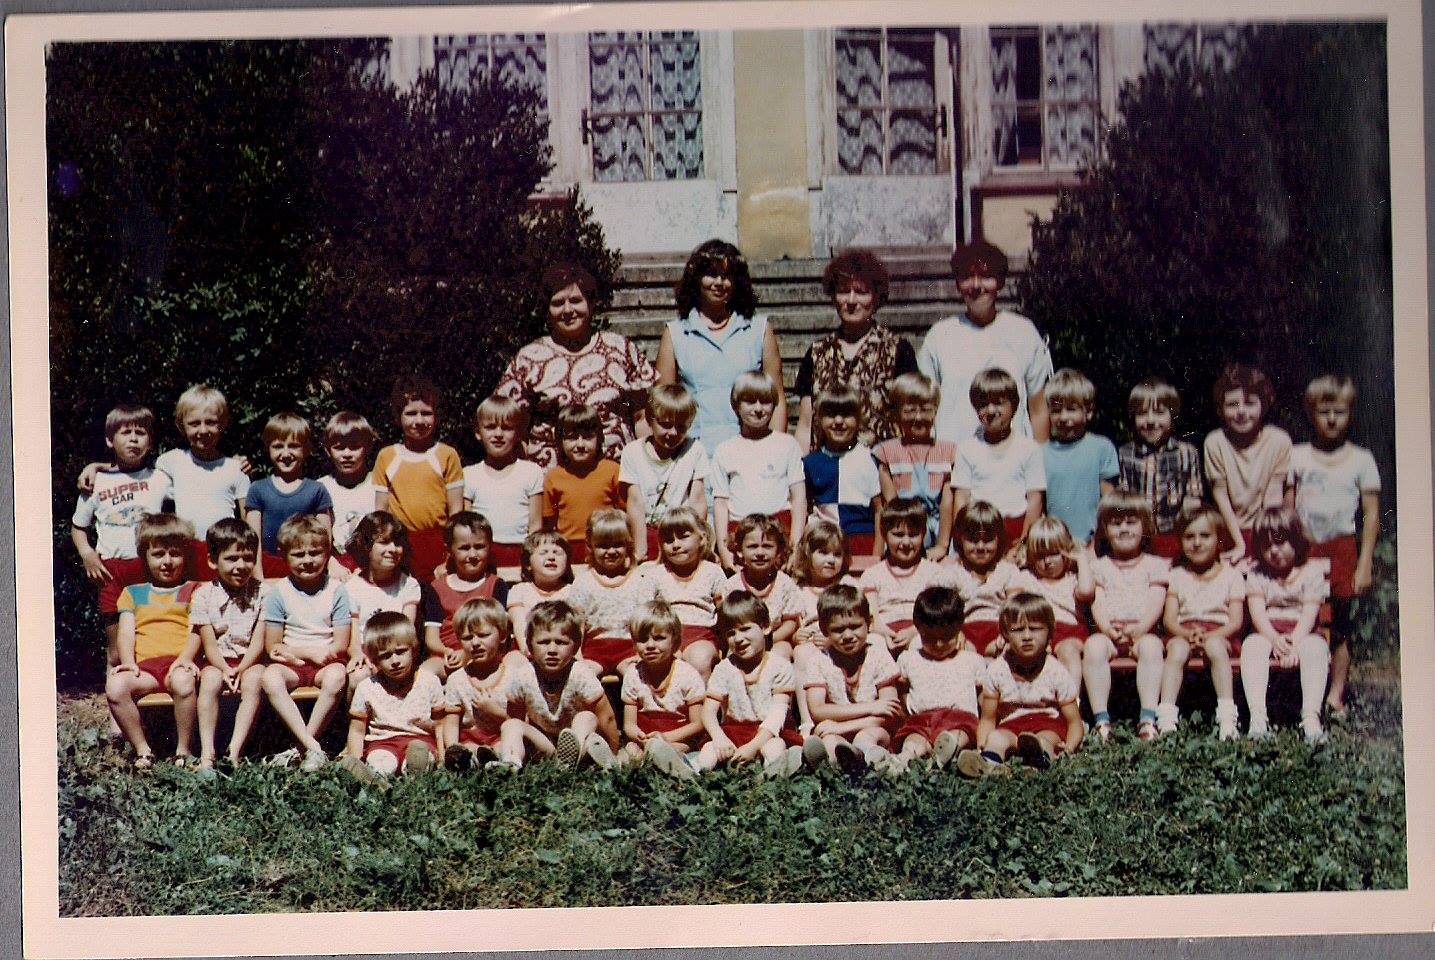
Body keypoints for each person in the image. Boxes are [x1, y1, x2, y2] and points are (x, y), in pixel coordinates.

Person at [495, 261, 657, 470]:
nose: (567, 310)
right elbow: (509, 424)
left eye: (575, 301)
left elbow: (641, 417)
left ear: (591, 303)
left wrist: (648, 467)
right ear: (547, 309)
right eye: (558, 303)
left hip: (615, 473)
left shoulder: (621, 349)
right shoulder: (529, 358)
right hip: (551, 478)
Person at [1286, 374, 1381, 717]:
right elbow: (1286, 510)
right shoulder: (1297, 456)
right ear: (1311, 413)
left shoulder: (1361, 459)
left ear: (1350, 413)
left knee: (1340, 625)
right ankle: (1297, 691)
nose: (1331, 419)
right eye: (1323, 412)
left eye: (1339, 412)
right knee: (1302, 617)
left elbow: (1371, 515)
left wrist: (1364, 563)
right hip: (1304, 550)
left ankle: (1335, 694)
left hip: (1341, 549)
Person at [71, 404, 171, 689]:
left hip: (150, 569)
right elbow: (78, 527)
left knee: (151, 637)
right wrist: (87, 553)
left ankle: (149, 698)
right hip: (112, 572)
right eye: (125, 432)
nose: (133, 439)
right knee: (116, 648)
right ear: (109, 440)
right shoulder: (95, 482)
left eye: (141, 432)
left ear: (150, 441)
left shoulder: (160, 479)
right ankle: (116, 705)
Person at [655, 239, 785, 454]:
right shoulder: (675, 333)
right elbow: (664, 404)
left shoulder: (759, 330)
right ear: (696, 279)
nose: (719, 282)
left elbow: (777, 400)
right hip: (695, 454)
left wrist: (773, 452)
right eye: (711, 274)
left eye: (726, 276)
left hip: (749, 453)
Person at [917, 240, 1051, 445]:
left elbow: (1038, 408)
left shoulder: (1023, 332)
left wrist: (1038, 459)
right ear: (958, 284)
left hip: (1012, 457)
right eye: (967, 277)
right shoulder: (939, 336)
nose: (976, 285)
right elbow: (925, 406)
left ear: (1000, 282)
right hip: (954, 456)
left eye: (986, 276)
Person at [793, 249, 918, 452]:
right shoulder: (817, 353)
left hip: (879, 466)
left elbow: (910, 418)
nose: (851, 301)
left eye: (861, 292)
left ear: (876, 298)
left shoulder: (897, 350)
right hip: (826, 466)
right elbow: (806, 425)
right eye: (844, 291)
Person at [104, 513, 201, 768]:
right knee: (116, 687)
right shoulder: (132, 593)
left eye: (175, 554)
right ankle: (143, 750)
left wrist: (185, 659)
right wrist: (128, 662)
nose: (167, 561)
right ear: (145, 557)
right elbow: (126, 632)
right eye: (158, 554)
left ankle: (183, 749)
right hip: (146, 668)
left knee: (183, 681)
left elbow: (198, 630)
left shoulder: (194, 590)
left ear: (185, 555)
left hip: (179, 663)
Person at [260, 514, 352, 771]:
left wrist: (322, 654)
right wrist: (305, 652)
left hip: (327, 662)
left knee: (337, 676)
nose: (308, 560)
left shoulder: (336, 590)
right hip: (293, 662)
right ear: (284, 555)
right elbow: (273, 646)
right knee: (270, 677)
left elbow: (341, 643)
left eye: (315, 553)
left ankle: (301, 748)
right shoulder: (279, 593)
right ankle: (313, 747)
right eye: (299, 554)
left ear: (327, 553)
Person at [1081, 491, 1171, 742]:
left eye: (1131, 522)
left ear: (1145, 526)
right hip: (1110, 632)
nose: (1123, 529)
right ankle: (1101, 720)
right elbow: (1097, 601)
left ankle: (1147, 718)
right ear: (1104, 529)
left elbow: (1156, 601)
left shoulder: (1154, 565)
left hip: (1143, 632)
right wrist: (1107, 629)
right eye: (1116, 523)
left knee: (1152, 647)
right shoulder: (1099, 566)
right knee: (1094, 646)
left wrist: (1140, 628)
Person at [1241, 506, 1331, 744]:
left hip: (1302, 632)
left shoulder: (1310, 572)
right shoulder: (1258, 574)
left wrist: (1293, 643)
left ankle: (1311, 717)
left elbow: (1310, 612)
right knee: (1251, 646)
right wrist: (1274, 639)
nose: (1273, 551)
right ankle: (1258, 718)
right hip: (1268, 632)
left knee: (1316, 648)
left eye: (1280, 543)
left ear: (1296, 540)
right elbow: (1258, 613)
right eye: (1266, 545)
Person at [692, 591, 804, 777]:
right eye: (731, 633)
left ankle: (772, 778)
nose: (738, 638)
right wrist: (719, 738)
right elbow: (708, 711)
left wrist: (753, 747)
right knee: (709, 751)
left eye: (745, 629)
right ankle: (692, 775)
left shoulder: (779, 666)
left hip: (770, 732)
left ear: (765, 627)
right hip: (734, 731)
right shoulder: (725, 668)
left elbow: (777, 715)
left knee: (774, 748)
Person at [499, 600, 621, 769]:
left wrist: (614, 752)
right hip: (545, 743)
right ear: (530, 645)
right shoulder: (523, 675)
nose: (552, 650)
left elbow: (606, 718)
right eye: (544, 642)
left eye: (561, 642)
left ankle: (569, 762)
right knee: (510, 725)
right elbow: (515, 716)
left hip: (579, 738)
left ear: (575, 647)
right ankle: (510, 763)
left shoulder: (581, 674)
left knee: (587, 717)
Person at [799, 584, 901, 778]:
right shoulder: (818, 660)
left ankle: (874, 764)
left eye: (855, 626)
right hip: (837, 731)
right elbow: (818, 710)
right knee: (829, 740)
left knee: (865, 737)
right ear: (824, 630)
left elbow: (890, 711)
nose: (847, 636)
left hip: (873, 728)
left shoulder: (878, 655)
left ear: (869, 623)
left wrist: (842, 726)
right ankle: (837, 768)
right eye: (838, 630)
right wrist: (872, 707)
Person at [191, 519, 270, 769]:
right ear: (213, 561)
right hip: (217, 661)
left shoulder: (263, 593)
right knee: (210, 680)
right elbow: (209, 644)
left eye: (248, 558)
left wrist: (242, 668)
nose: (241, 566)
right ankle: (207, 752)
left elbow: (259, 640)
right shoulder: (203, 595)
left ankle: (234, 751)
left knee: (255, 680)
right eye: (232, 558)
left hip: (251, 660)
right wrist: (225, 668)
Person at [974, 594, 1084, 771]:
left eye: (1035, 629)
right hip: (1011, 725)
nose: (1026, 636)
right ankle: (987, 764)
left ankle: (1039, 762)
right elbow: (988, 718)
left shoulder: (1056, 671)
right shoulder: (998, 670)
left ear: (1049, 632)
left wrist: (1069, 748)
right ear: (1005, 634)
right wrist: (982, 744)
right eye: (1018, 630)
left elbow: (1074, 721)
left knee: (1044, 740)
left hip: (1048, 725)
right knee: (996, 738)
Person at [1163, 506, 1245, 740]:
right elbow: (1169, 619)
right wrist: (1186, 634)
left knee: (1214, 646)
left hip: (1220, 634)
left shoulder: (1231, 575)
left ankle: (1227, 716)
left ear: (1219, 539)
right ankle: (1166, 715)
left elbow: (1236, 621)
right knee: (1177, 649)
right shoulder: (1177, 575)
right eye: (1189, 537)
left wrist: (1210, 636)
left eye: (1205, 536)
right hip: (1183, 632)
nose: (1197, 543)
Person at [372, 374, 464, 584]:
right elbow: (380, 514)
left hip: (439, 544)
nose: (419, 420)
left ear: (436, 416)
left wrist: (450, 556)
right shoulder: (387, 456)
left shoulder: (447, 455)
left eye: (427, 413)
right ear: (398, 417)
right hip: (401, 545)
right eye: (411, 413)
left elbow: (456, 513)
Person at [155, 384, 251, 581]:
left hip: (225, 554)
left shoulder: (235, 468)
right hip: (185, 554)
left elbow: (248, 521)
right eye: (194, 423)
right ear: (181, 426)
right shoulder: (170, 462)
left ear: (223, 424)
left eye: (211, 422)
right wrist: (98, 467)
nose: (203, 430)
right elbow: (140, 481)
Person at [711, 372, 806, 568]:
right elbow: (721, 504)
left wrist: (795, 547)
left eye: (765, 401)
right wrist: (723, 549)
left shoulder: (787, 445)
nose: (758, 409)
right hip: (741, 536)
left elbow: (799, 499)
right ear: (736, 406)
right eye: (750, 402)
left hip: (779, 534)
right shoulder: (725, 450)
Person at [892, 586, 989, 775]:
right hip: (922, 719)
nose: (938, 644)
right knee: (913, 739)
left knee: (958, 736)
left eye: (946, 637)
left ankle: (941, 757)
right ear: (917, 628)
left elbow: (982, 699)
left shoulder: (971, 660)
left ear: (959, 628)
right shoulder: (909, 659)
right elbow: (901, 691)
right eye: (929, 638)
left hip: (959, 718)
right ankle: (903, 759)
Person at [1204, 363, 1293, 562]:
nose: (1241, 411)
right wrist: (1240, 544)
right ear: (1220, 409)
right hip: (1229, 531)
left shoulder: (1279, 440)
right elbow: (1220, 495)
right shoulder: (1215, 442)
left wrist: (1266, 543)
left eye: (1250, 403)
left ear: (1264, 406)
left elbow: (1273, 497)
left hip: (1266, 531)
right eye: (1232, 405)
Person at [951, 368, 1045, 552]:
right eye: (983, 404)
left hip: (1017, 532)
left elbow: (1035, 500)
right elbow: (961, 498)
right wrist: (961, 542)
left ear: (1014, 406)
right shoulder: (967, 449)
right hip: (979, 534)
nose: (991, 410)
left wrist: (1023, 545)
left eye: (998, 403)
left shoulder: (1029, 449)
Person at [342, 611, 445, 777]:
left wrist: (443, 759)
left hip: (420, 740)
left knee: (421, 754)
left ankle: (415, 771)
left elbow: (440, 725)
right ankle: (373, 778)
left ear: (414, 649)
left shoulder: (429, 682)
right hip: (383, 743)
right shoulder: (366, 687)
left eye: (401, 651)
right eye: (385, 656)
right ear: (374, 659)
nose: (395, 661)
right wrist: (355, 758)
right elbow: (357, 730)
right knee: (380, 762)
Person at [620, 384, 709, 563]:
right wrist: (640, 550)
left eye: (681, 427)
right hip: (646, 530)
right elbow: (635, 502)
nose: (673, 433)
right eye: (666, 425)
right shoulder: (632, 452)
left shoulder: (695, 450)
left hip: (681, 533)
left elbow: (698, 501)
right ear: (650, 420)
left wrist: (697, 543)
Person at [1116, 379, 1203, 559]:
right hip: (1140, 538)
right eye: (1142, 413)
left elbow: (1193, 498)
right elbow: (1123, 498)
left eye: (1159, 412)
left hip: (1175, 534)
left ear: (1173, 415)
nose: (1150, 421)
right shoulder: (1126, 453)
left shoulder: (1186, 452)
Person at [619, 600, 707, 778]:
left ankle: (670, 766)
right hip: (644, 738)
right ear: (634, 644)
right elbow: (629, 724)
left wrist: (665, 738)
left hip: (678, 738)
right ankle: (619, 763)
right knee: (629, 750)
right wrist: (640, 736)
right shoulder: (633, 674)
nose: (650, 645)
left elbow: (698, 723)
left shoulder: (687, 674)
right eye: (642, 639)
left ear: (675, 642)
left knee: (674, 750)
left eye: (658, 638)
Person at [859, 498, 958, 653]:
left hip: (921, 631)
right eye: (898, 535)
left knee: (920, 642)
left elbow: (938, 614)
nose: (906, 542)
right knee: (874, 643)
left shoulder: (934, 573)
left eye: (913, 535)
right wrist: (884, 632)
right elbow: (872, 616)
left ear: (923, 534)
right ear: (884, 535)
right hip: (883, 631)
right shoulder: (873, 574)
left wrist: (914, 631)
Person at [567, 509, 658, 678]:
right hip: (593, 649)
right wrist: (577, 656)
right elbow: (576, 624)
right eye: (603, 546)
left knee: (636, 676)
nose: (611, 551)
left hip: (630, 648)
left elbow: (646, 622)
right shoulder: (584, 582)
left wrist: (642, 652)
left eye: (617, 545)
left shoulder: (640, 580)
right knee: (583, 676)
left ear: (628, 544)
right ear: (591, 546)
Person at [873, 372, 956, 556]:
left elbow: (947, 503)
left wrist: (942, 545)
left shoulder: (949, 452)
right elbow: (892, 504)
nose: (918, 417)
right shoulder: (886, 453)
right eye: (910, 410)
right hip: (902, 532)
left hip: (940, 532)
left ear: (935, 411)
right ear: (897, 413)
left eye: (925, 410)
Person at [641, 506, 728, 679]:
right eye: (668, 540)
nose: (676, 545)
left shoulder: (712, 572)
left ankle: (701, 697)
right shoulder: (655, 574)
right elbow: (644, 613)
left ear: (701, 539)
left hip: (702, 635)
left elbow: (726, 611)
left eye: (683, 537)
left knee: (699, 659)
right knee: (666, 661)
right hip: (664, 636)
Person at [441, 598, 526, 770]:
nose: (475, 643)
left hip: (502, 735)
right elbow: (451, 722)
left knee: (504, 746)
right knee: (469, 749)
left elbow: (521, 723)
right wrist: (452, 748)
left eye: (483, 635)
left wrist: (495, 712)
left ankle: (499, 763)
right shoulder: (457, 679)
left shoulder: (513, 676)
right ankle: (470, 761)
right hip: (471, 738)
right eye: (467, 637)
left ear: (502, 636)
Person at [245, 412, 333, 578]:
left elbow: (325, 539)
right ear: (268, 448)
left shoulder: (317, 490)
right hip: (268, 569)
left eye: (293, 446)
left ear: (306, 449)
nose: (286, 454)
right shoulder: (257, 489)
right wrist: (258, 580)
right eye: (278, 446)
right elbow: (252, 540)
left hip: (307, 567)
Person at [1008, 515, 1094, 684]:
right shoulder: (1027, 578)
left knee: (1068, 651)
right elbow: (1011, 605)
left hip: (1069, 632)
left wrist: (1082, 559)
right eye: (1040, 556)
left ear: (1067, 551)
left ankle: (1071, 697)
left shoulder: (1073, 578)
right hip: (1036, 633)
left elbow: (1086, 592)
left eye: (1054, 553)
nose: (1047, 562)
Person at [463, 395, 544, 570]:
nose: (498, 434)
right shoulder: (469, 475)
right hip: (481, 556)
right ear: (478, 432)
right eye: (490, 427)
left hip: (521, 554)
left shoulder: (531, 472)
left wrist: (531, 561)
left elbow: (535, 526)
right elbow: (465, 527)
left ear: (518, 434)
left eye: (506, 428)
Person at [803, 384, 882, 559]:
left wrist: (876, 555)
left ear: (859, 419)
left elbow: (879, 510)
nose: (838, 421)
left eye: (846, 414)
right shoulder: (810, 463)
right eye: (831, 414)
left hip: (862, 541)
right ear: (819, 419)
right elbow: (803, 508)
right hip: (824, 545)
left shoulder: (870, 459)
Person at [341, 512, 422, 680]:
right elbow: (354, 640)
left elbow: (407, 634)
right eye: (384, 542)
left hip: (397, 658)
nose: (393, 549)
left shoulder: (408, 585)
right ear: (366, 546)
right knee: (359, 676)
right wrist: (358, 654)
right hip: (367, 657)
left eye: (397, 543)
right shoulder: (352, 588)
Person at [1042, 368, 1118, 545]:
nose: (1063, 417)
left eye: (1071, 409)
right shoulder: (1041, 453)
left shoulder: (1101, 448)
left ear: (1088, 412)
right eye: (1056, 410)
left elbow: (1109, 501)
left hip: (1094, 542)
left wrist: (1099, 539)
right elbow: (1040, 507)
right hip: (1054, 543)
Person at [542, 403, 625, 564]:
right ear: (560, 440)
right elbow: (549, 525)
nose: (580, 445)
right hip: (567, 550)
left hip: (606, 547)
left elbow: (624, 514)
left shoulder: (612, 470)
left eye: (587, 437)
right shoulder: (553, 477)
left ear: (599, 438)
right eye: (572, 438)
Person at [948, 501, 1023, 659]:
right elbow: (943, 609)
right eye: (973, 540)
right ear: (960, 539)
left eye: (988, 540)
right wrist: (954, 632)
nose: (981, 547)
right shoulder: (953, 572)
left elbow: (1015, 607)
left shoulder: (1007, 571)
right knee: (962, 655)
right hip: (964, 632)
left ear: (999, 539)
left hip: (998, 632)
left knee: (1010, 652)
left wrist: (1008, 633)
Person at [723, 513, 804, 661]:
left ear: (779, 550)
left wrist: (767, 640)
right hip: (741, 642)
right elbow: (727, 624)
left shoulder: (785, 584)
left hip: (774, 640)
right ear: (740, 550)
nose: (760, 553)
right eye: (752, 546)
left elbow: (790, 622)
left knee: (783, 650)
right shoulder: (732, 586)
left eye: (767, 546)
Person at [429, 512, 513, 653]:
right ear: (449, 550)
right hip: (446, 655)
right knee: (429, 667)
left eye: (479, 547)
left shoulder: (496, 585)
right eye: (464, 548)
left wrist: (467, 655)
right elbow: (431, 637)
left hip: (485, 654)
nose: (473, 555)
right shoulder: (437, 588)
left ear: (490, 546)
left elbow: (500, 631)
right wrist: (447, 652)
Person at [318, 411, 378, 572]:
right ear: (328, 450)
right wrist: (330, 564)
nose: (346, 454)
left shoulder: (379, 485)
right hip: (333, 565)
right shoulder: (321, 487)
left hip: (373, 565)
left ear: (367, 447)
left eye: (354, 447)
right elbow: (315, 536)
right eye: (339, 448)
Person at [789, 520, 857, 648]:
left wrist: (833, 640)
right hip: (809, 645)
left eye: (837, 554)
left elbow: (860, 622)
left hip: (844, 644)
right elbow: (791, 625)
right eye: (824, 552)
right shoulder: (797, 589)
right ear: (807, 553)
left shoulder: (847, 585)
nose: (831, 560)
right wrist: (795, 637)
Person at [504, 529, 571, 651]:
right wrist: (527, 649)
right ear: (528, 564)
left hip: (562, 651)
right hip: (525, 649)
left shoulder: (572, 592)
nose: (551, 557)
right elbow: (519, 622)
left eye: (557, 553)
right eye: (543, 553)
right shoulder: (520, 591)